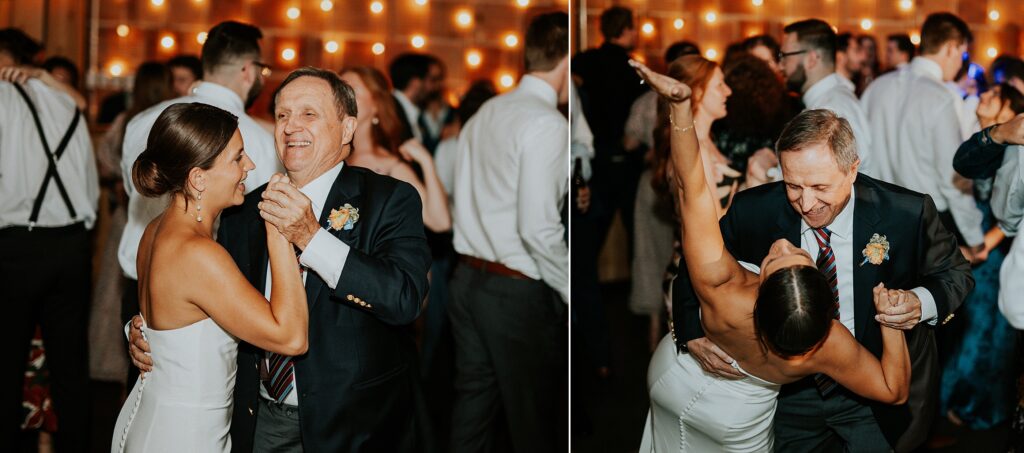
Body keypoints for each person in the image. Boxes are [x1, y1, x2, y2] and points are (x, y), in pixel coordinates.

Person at [673, 36, 975, 452]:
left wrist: (918, 302)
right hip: (790, 391)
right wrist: (690, 330)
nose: (806, 202)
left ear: (853, 170)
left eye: (820, 186)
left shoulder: (906, 213)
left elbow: (956, 273)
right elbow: (700, 266)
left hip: (871, 386)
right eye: (793, 185)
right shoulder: (755, 210)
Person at [130, 67, 433, 452]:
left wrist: (312, 237)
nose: (291, 126)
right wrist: (150, 329)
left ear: (347, 128)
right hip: (255, 417)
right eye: (282, 115)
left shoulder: (388, 200)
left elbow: (404, 298)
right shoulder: (242, 210)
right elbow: (203, 291)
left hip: (353, 424)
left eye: (309, 113)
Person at [632, 60, 912, 452]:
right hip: (737, 424)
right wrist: (891, 323)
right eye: (797, 255)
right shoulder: (828, 343)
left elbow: (689, 189)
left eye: (777, 259)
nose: (782, 245)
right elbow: (893, 389)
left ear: (762, 295)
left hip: (673, 383)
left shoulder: (724, 291)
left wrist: (680, 109)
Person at [111, 102, 308, 453]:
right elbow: (291, 337)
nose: (250, 166)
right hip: (184, 435)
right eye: (237, 157)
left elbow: (170, 324)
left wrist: (137, 332)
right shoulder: (199, 254)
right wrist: (279, 233)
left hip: (152, 417)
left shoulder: (156, 230)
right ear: (199, 178)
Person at [119, 21, 283, 386]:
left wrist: (137, 321)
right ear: (248, 69)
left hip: (146, 301)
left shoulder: (143, 121)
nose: (247, 167)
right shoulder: (256, 137)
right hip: (209, 300)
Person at [449, 12, 568, 453]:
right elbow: (537, 228)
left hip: (466, 282)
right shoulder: (548, 124)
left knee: (473, 411)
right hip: (515, 292)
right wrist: (569, 286)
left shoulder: (486, 111)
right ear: (567, 60)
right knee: (533, 421)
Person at [0, 27, 98, 451]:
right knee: (70, 364)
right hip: (74, 244)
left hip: (18, 246)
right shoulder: (66, 98)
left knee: (6, 362)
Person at [862, 12, 987, 268]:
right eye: (962, 54)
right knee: (934, 304)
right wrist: (975, 237)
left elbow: (860, 155)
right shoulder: (940, 97)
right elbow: (953, 176)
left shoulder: (877, 87)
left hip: (879, 216)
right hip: (929, 222)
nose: (960, 63)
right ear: (952, 48)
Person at [939, 83, 1022, 432]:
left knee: (993, 333)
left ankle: (983, 408)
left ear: (1009, 108)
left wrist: (985, 241)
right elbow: (963, 167)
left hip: (999, 243)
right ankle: (965, 403)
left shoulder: (1015, 142)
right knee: (975, 327)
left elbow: (1012, 210)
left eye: (993, 95)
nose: (984, 96)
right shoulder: (990, 138)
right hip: (983, 235)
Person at [339, 66, 450, 233]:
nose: (340, 98)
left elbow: (440, 222)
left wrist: (427, 162)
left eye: (350, 90)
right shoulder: (328, 157)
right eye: (338, 90)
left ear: (376, 104)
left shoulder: (390, 167)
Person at [779, 20, 875, 177]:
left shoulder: (832, 109)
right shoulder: (831, 98)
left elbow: (850, 178)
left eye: (784, 56)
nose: (780, 66)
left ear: (811, 59)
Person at [388, 53, 444, 144]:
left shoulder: (412, 110)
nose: (435, 87)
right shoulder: (392, 111)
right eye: (431, 80)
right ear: (415, 82)